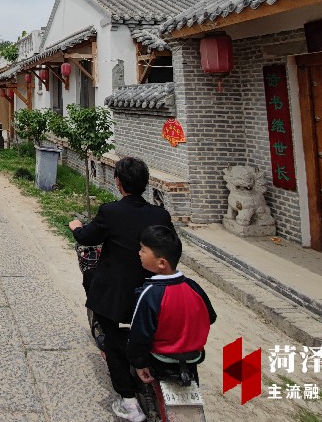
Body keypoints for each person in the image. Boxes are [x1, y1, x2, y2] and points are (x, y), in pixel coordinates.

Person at [68, 156, 173, 422]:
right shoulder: (160, 215)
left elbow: (87, 237)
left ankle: (128, 401)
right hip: (152, 296)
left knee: (112, 340)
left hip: (117, 297)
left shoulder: (110, 212)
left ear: (118, 182)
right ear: (145, 183)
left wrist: (76, 227)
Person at [128, 225, 216, 385]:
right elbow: (211, 317)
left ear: (161, 263)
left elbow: (140, 334)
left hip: (161, 357)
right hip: (193, 355)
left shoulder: (149, 293)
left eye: (143, 250)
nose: (139, 253)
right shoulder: (193, 286)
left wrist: (139, 363)